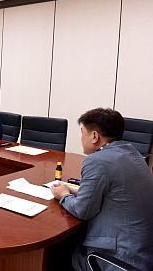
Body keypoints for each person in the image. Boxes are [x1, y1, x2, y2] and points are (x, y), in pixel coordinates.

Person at [50, 108, 153, 271]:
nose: (81, 138)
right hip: (143, 251)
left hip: (119, 258)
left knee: (55, 251)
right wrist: (75, 191)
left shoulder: (97, 161)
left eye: (82, 132)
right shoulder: (134, 154)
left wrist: (62, 195)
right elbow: (115, 193)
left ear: (94, 136)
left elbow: (83, 211)